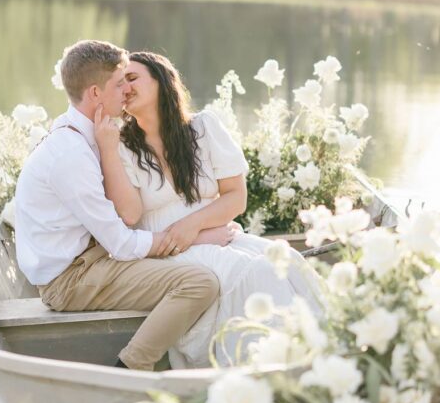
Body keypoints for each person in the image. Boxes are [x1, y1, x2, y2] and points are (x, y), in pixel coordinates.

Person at [94, 50, 323, 369]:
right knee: (255, 272)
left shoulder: (204, 128)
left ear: (161, 81)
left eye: (132, 78)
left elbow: (234, 198)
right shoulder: (121, 146)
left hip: (214, 234)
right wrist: (107, 149)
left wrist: (196, 227)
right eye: (119, 83)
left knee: (284, 258)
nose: (125, 88)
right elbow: (130, 217)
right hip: (164, 249)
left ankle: (317, 355)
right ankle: (262, 366)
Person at [13, 39, 232, 371]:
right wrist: (195, 237)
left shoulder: (83, 136)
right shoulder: (71, 153)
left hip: (92, 260)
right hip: (70, 281)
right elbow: (121, 242)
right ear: (95, 94)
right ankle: (129, 368)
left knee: (211, 268)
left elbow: (120, 225)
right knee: (199, 283)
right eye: (119, 84)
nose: (126, 92)